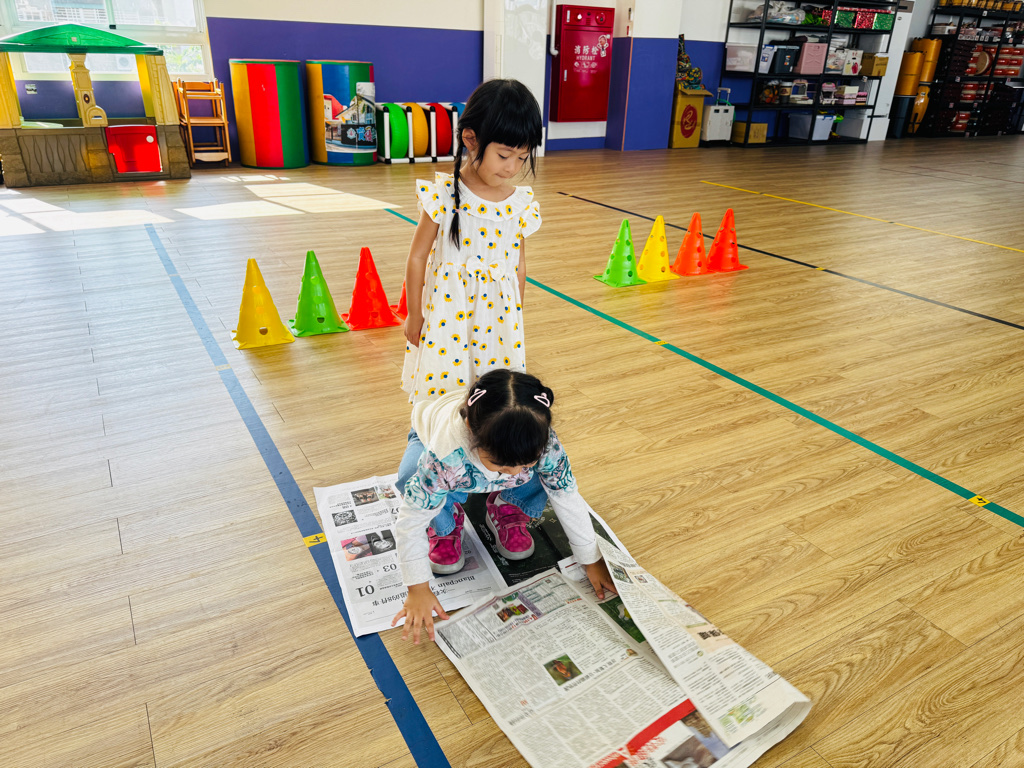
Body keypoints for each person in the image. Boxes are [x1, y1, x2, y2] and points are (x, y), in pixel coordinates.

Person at [391, 369, 616, 643]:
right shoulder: (445, 457)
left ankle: (506, 506)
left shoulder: (544, 444)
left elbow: (565, 494)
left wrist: (590, 559)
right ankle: (445, 524)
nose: (515, 473)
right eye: (501, 464)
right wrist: (417, 588)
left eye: (527, 462)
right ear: (471, 430)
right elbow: (410, 520)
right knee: (410, 478)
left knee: (547, 477)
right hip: (430, 440)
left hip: (480, 456)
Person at [401, 79, 544, 404]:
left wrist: (516, 314)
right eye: (504, 155)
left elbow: (518, 266)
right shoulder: (443, 196)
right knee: (444, 387)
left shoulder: (518, 204)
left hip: (499, 319)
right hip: (449, 312)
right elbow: (417, 257)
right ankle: (429, 431)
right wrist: (414, 313)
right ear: (470, 139)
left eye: (522, 158)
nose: (512, 168)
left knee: (494, 393)